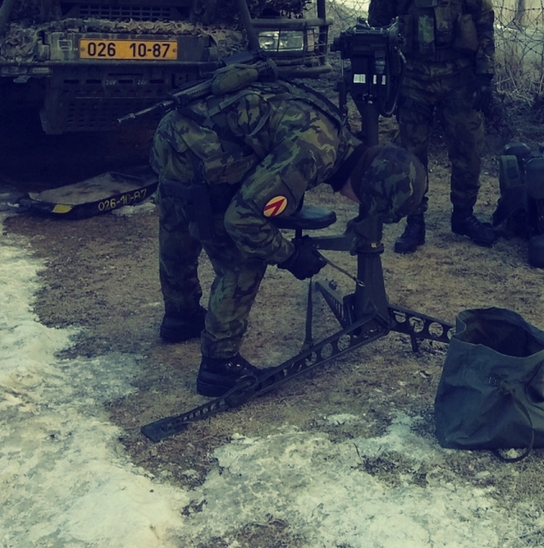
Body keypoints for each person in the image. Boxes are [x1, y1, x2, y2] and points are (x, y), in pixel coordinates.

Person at [150, 64, 426, 396]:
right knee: (247, 252)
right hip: (196, 150)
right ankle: (219, 366)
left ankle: (181, 315)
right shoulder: (316, 152)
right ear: (367, 189)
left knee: (181, 211)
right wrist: (290, 256)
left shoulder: (333, 131)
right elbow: (243, 219)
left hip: (175, 132)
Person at [367, 0, 496, 254]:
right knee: (411, 153)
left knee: (468, 149)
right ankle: (415, 222)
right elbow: (376, 21)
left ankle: (464, 216)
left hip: (458, 76)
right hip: (415, 77)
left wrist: (485, 75)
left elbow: (485, 24)